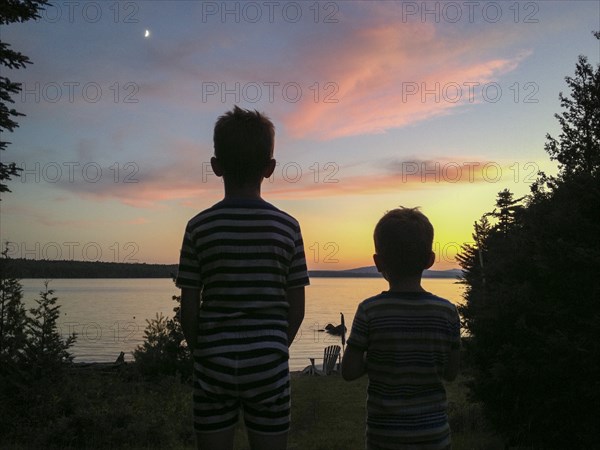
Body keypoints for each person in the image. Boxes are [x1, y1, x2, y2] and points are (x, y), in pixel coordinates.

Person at [176, 105, 309, 450]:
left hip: (213, 361)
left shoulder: (199, 227)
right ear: (270, 168)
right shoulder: (287, 227)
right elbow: (296, 308)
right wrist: (276, 346)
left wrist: (200, 352)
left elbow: (189, 306)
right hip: (269, 361)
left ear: (216, 166)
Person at [342, 207, 460, 450]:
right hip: (435, 436)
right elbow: (451, 372)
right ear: (430, 260)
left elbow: (349, 371)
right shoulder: (447, 312)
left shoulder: (369, 311)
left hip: (385, 437)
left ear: (378, 262)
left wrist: (375, 359)